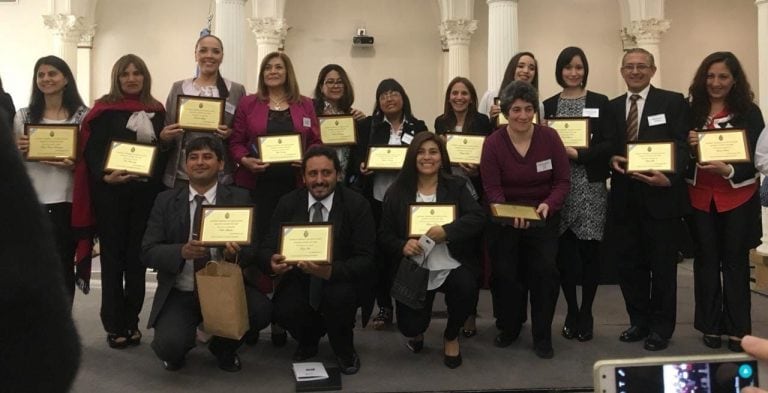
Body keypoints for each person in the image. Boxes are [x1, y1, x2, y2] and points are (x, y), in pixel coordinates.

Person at [141, 136, 272, 372]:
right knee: (169, 346)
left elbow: (254, 249)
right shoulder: (165, 200)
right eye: (193, 157)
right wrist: (181, 251)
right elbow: (148, 251)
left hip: (225, 288)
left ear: (221, 164)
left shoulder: (240, 198)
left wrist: (236, 254)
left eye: (207, 156)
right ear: (185, 164)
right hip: (182, 290)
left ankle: (223, 348)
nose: (200, 162)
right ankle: (183, 341)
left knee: (261, 310)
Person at [74, 54, 168, 349]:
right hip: (111, 195)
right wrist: (106, 175)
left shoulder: (157, 111)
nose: (131, 78)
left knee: (137, 259)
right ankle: (114, 323)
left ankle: (132, 320)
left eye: (136, 73)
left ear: (144, 77)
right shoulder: (102, 111)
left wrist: (163, 144)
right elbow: (91, 152)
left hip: (144, 196)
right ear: (116, 78)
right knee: (113, 260)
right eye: (125, 74)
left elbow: (162, 155)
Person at [257, 145, 376, 375]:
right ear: (303, 177)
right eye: (312, 174)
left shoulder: (356, 204)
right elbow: (266, 247)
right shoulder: (288, 202)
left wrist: (330, 272)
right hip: (298, 278)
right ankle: (309, 339)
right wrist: (271, 261)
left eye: (326, 173)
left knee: (339, 298)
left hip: (341, 279)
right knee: (284, 309)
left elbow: (366, 259)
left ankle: (344, 348)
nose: (319, 180)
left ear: (338, 174)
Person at [606, 48, 690, 351]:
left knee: (663, 268)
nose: (635, 71)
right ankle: (638, 321)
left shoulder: (672, 101)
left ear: (653, 70)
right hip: (625, 199)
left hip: (661, 197)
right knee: (630, 266)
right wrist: (610, 159)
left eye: (642, 66)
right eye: (629, 66)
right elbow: (608, 148)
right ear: (622, 71)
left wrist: (672, 177)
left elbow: (682, 146)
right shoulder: (613, 107)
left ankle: (661, 329)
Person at [379, 132, 485, 368]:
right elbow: (384, 235)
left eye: (433, 152)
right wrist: (401, 245)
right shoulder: (396, 192)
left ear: (442, 156)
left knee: (466, 287)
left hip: (450, 262)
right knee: (410, 327)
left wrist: (448, 231)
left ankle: (451, 334)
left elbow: (478, 217)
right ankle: (417, 330)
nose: (427, 157)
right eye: (421, 152)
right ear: (412, 156)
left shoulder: (457, 185)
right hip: (414, 267)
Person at [481, 80, 570, 359]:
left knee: (545, 274)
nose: (522, 115)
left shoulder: (550, 138)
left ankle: (542, 334)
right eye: (516, 109)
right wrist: (509, 214)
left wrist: (549, 204)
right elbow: (492, 188)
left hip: (543, 217)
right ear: (506, 112)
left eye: (528, 109)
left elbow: (562, 181)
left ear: (535, 111)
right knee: (507, 276)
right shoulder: (494, 142)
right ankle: (510, 327)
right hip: (504, 219)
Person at [684, 52, 764, 352]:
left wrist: (728, 169)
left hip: (737, 196)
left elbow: (757, 157)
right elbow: (678, 152)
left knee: (734, 264)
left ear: (734, 80)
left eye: (723, 77)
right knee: (705, 263)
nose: (715, 83)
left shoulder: (749, 112)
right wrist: (691, 147)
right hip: (700, 197)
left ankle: (738, 329)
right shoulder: (692, 111)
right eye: (710, 76)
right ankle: (710, 326)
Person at [542, 47, 613, 342]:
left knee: (589, 254)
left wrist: (578, 153)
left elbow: (609, 143)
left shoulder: (600, 102)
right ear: (559, 70)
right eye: (568, 67)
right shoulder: (547, 105)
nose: (573, 73)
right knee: (565, 256)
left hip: (591, 186)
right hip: (560, 186)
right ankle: (571, 309)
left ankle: (587, 311)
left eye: (578, 67)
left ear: (585, 70)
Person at [349, 78, 428, 329]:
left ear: (403, 97)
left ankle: (408, 302)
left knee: (405, 254)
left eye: (394, 93)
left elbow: (426, 159)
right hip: (376, 199)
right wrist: (362, 166)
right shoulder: (367, 126)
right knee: (380, 257)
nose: (389, 98)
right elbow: (355, 159)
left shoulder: (418, 126)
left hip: (408, 202)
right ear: (378, 101)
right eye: (383, 95)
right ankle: (384, 307)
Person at [13, 55, 88, 304]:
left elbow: (89, 161)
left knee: (63, 266)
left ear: (66, 78)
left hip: (66, 200)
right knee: (33, 267)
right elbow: (14, 163)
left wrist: (74, 164)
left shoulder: (82, 116)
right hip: (32, 202)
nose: (46, 79)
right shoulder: (23, 116)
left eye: (52, 73)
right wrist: (18, 150)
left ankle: (62, 330)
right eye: (41, 75)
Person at [228, 51, 320, 245]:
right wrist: (245, 160)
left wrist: (307, 160)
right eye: (268, 68)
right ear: (262, 74)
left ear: (288, 72)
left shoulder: (306, 104)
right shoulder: (248, 103)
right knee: (258, 238)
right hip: (256, 184)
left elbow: (315, 141)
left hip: (294, 182)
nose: (273, 71)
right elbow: (236, 141)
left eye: (278, 67)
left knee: (290, 237)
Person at [433, 76, 492, 337]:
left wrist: (477, 170)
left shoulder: (481, 122)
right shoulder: (440, 122)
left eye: (464, 93)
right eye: (454, 93)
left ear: (471, 97)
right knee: (451, 249)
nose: (459, 97)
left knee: (471, 253)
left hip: (473, 191)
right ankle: (453, 307)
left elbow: (488, 157)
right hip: (448, 193)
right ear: (449, 96)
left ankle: (470, 313)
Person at [160, 34, 247, 189]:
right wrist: (165, 136)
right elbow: (167, 130)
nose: (209, 56)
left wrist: (230, 133)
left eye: (215, 51)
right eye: (203, 51)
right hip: (182, 174)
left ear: (222, 57)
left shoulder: (236, 90)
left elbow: (242, 133)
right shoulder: (178, 88)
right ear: (195, 55)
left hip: (221, 175)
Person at [312, 64, 365, 180]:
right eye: (330, 82)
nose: (335, 86)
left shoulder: (352, 115)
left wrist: (363, 123)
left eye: (340, 82)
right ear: (321, 87)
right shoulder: (311, 111)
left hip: (345, 177)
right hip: (319, 177)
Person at [478, 51, 538, 122]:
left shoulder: (539, 104)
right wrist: (489, 117)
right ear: (512, 69)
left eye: (531, 68)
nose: (526, 71)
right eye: (520, 66)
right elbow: (478, 126)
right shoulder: (490, 96)